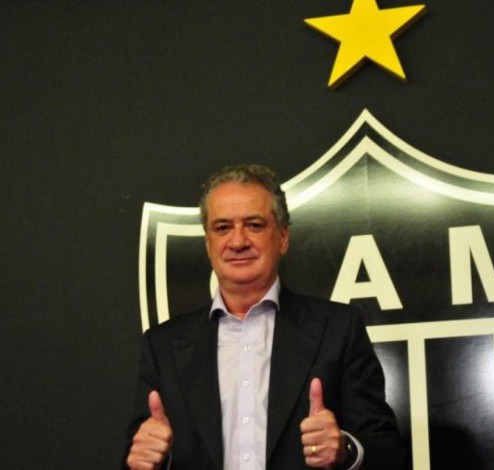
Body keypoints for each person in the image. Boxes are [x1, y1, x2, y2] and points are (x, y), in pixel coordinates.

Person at [123, 164, 402, 470]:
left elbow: (387, 452)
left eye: (254, 225)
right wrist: (150, 462)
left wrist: (345, 449)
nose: (238, 241)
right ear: (208, 243)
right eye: (222, 228)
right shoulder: (162, 346)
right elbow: (138, 455)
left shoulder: (338, 329)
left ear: (282, 237)